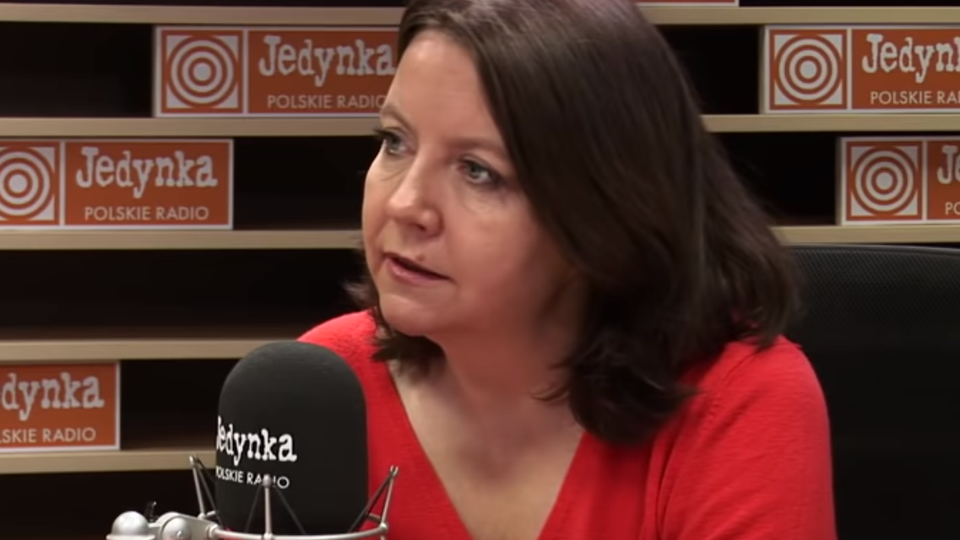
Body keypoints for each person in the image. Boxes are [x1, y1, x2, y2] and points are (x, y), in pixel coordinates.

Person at [300, 0, 837, 538]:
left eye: (478, 171)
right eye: (395, 141)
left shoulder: (740, 401)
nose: (404, 205)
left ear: (604, 209)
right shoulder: (318, 391)